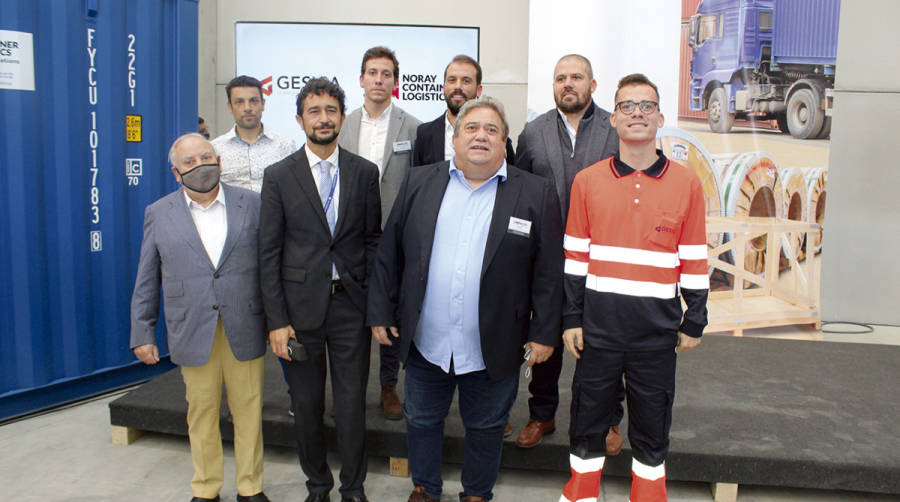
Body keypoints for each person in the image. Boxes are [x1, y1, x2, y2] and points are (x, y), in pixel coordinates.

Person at [368, 97, 563, 502]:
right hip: (427, 340)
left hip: (495, 341)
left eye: (492, 129)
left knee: (487, 426)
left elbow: (548, 271)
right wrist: (380, 310)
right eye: (471, 128)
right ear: (454, 139)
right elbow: (389, 253)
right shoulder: (420, 181)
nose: (481, 136)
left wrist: (545, 333)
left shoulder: (535, 192)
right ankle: (425, 487)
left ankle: (476, 493)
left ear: (505, 141)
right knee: (421, 419)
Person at [559, 74, 709, 502]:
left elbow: (695, 259)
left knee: (651, 422)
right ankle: (581, 494)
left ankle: (648, 496)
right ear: (613, 119)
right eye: (627, 106)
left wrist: (694, 318)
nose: (637, 113)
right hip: (598, 331)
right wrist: (571, 317)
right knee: (587, 419)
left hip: (655, 334)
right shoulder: (587, 182)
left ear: (661, 117)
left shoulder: (687, 183)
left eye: (646, 106)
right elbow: (575, 258)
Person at [130, 133, 270, 502]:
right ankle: (206, 488)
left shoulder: (252, 204)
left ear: (220, 161)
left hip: (245, 321)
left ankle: (250, 486)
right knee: (201, 409)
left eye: (206, 157)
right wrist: (142, 330)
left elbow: (270, 268)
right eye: (190, 162)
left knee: (249, 408)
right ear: (176, 173)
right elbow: (147, 276)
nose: (200, 166)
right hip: (191, 325)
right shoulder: (158, 213)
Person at [259, 78, 380, 502]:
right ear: (299, 119)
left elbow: (372, 241)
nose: (324, 118)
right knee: (307, 408)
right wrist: (276, 321)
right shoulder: (278, 177)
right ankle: (318, 486)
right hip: (298, 313)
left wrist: (372, 301)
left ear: (342, 118)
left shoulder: (365, 173)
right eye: (314, 111)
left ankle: (354, 487)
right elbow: (268, 252)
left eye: (331, 110)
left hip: (350, 308)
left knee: (350, 408)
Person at [513, 54, 622, 451]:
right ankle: (542, 415)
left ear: (593, 84)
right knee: (545, 340)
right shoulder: (533, 132)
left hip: (602, 259)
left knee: (603, 345)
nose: (568, 84)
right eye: (561, 78)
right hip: (547, 260)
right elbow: (519, 191)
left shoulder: (615, 129)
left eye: (577, 77)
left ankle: (608, 420)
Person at [337, 46, 421, 420]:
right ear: (360, 80)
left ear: (395, 82)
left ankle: (389, 386)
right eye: (372, 72)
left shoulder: (414, 128)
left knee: (391, 314)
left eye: (386, 73)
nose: (378, 79)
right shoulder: (342, 124)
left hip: (394, 235)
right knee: (350, 318)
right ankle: (349, 392)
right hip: (350, 236)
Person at [412, 55, 514, 167]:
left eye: (466, 81)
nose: (458, 87)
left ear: (478, 90)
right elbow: (417, 179)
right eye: (452, 80)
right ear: (443, 87)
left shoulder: (496, 138)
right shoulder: (425, 134)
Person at [212, 75, 296, 193]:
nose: (247, 108)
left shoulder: (285, 146)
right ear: (230, 107)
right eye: (239, 102)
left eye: (253, 101)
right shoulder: (215, 148)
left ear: (263, 104)